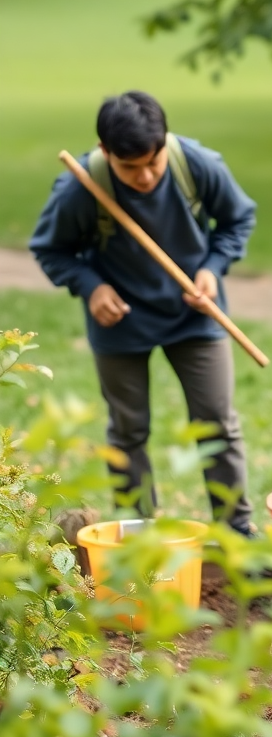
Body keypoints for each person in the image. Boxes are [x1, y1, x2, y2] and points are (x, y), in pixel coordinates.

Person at [30, 91, 258, 535]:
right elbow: (50, 249)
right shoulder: (82, 186)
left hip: (195, 313)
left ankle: (237, 533)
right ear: (105, 152)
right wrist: (91, 287)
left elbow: (238, 220)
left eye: (153, 162)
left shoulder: (196, 165)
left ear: (165, 142)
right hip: (121, 321)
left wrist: (212, 269)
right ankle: (136, 537)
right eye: (129, 168)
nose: (145, 176)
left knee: (217, 425)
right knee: (127, 432)